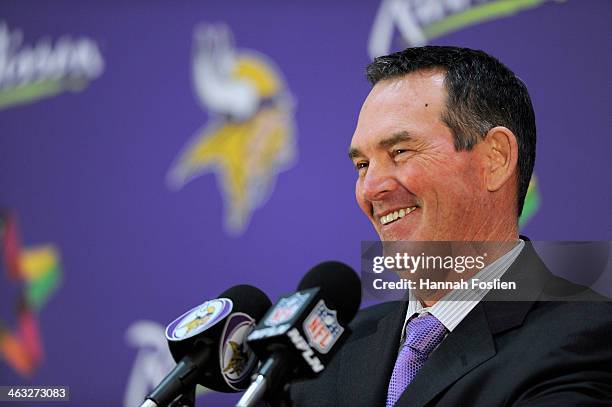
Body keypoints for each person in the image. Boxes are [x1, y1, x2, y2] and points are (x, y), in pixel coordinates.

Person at [289, 46, 612, 406]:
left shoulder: (588, 336)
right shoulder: (329, 354)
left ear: (496, 159)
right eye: (363, 165)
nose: (371, 188)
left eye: (400, 152)